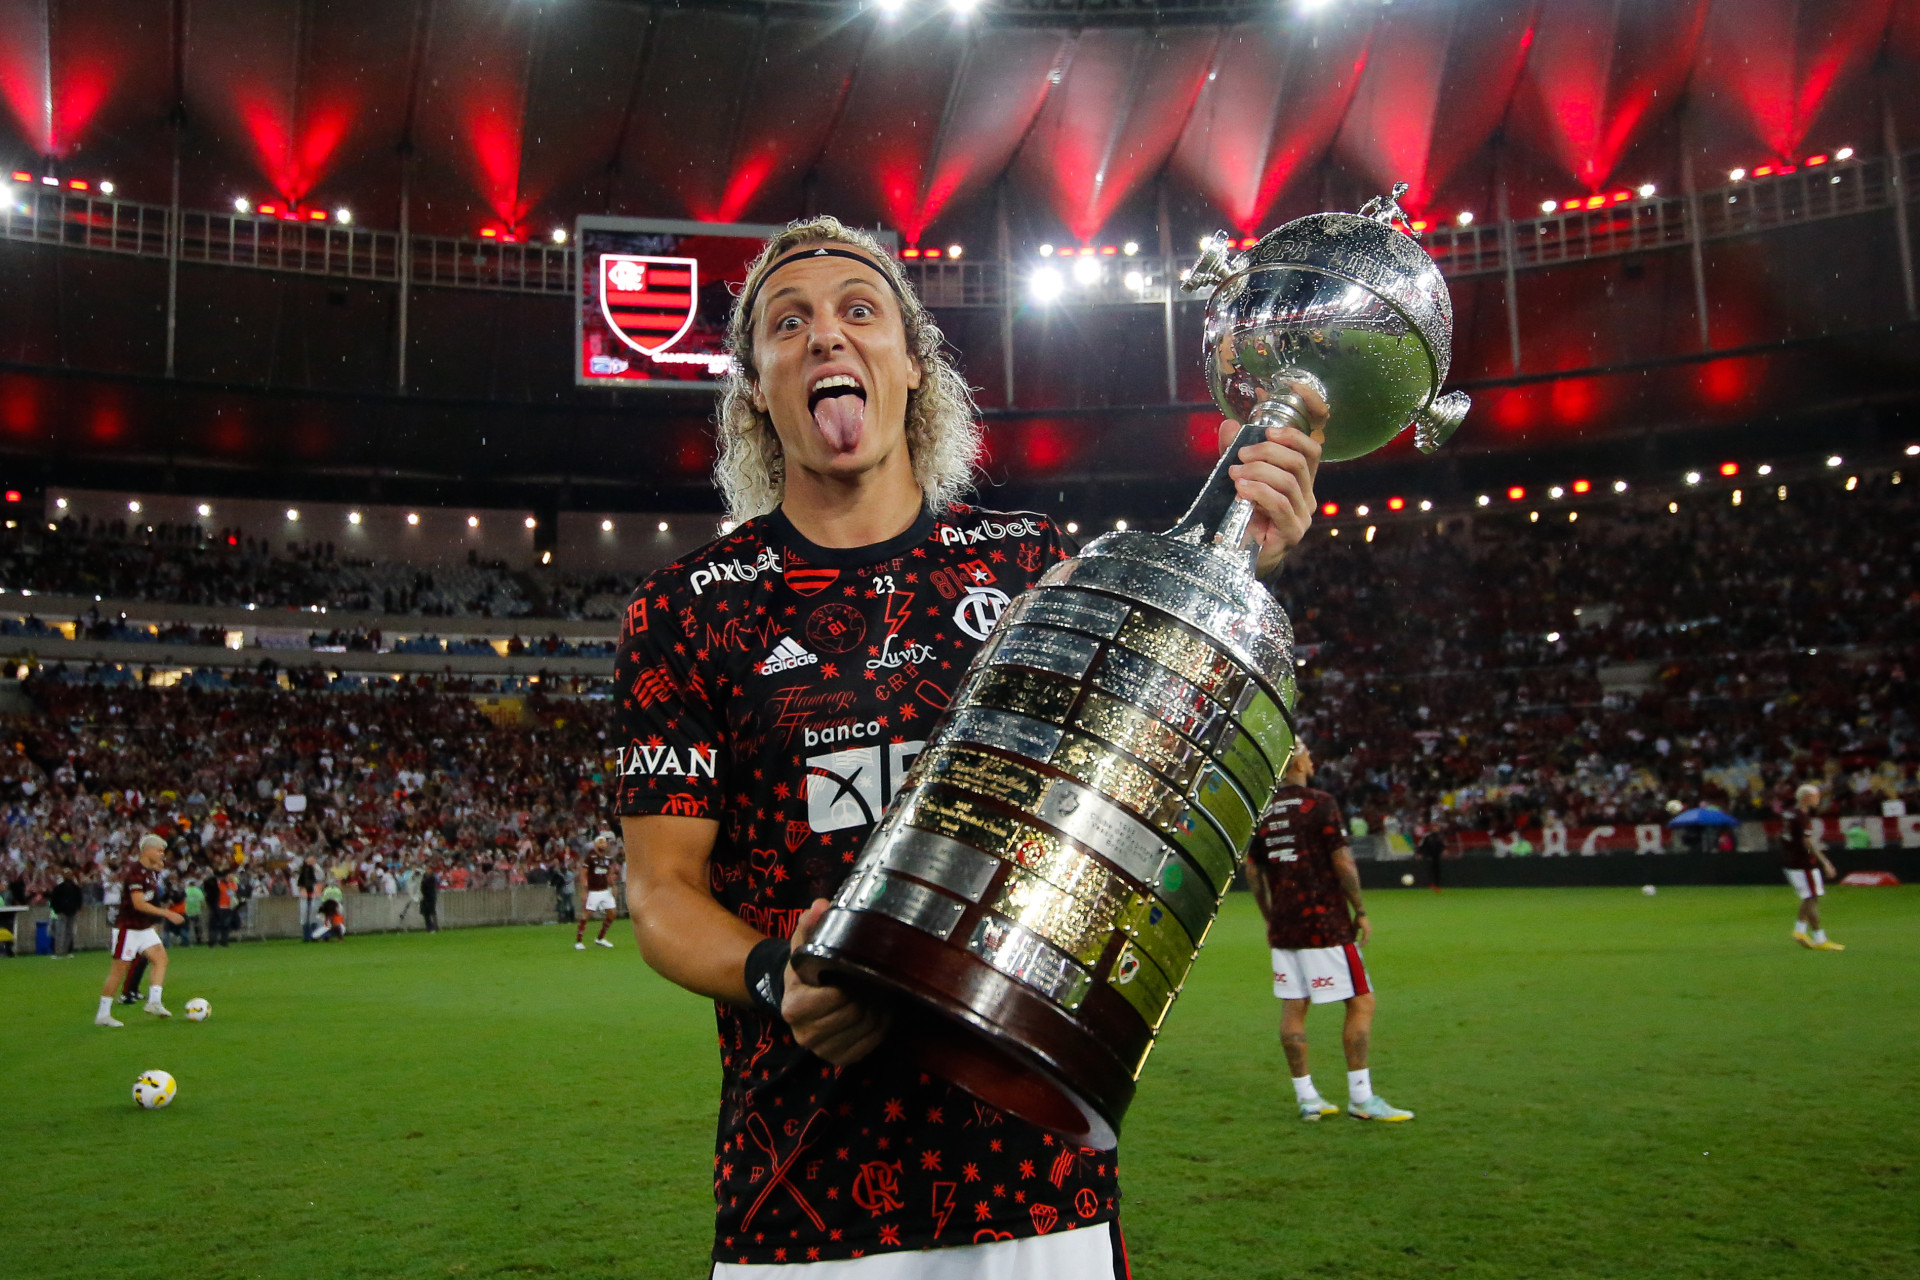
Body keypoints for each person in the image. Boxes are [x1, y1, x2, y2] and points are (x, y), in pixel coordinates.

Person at [614, 215, 1323, 1275]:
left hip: (1039, 1182)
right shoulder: (685, 610)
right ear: (755, 385)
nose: (826, 339)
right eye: (787, 323)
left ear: (912, 366)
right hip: (801, 1193)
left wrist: (1231, 575)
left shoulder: (1041, 569)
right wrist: (773, 974)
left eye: (861, 312)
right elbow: (660, 891)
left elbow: (1140, 791)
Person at [1247, 746, 1414, 1123]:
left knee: (1294, 1008)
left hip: (1285, 926)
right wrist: (1361, 909)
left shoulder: (1264, 812)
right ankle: (1362, 1098)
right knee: (1361, 1002)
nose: (1312, 759)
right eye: (1306, 753)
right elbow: (1342, 860)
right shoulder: (1320, 803)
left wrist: (1269, 915)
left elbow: (1253, 872)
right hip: (1324, 922)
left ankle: (1308, 1099)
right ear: (1296, 762)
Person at [96, 834, 184, 1026]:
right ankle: (102, 1015)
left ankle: (154, 1002)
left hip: (143, 928)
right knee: (119, 971)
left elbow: (156, 872)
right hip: (129, 929)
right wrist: (166, 914)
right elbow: (139, 904)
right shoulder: (135, 872)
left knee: (161, 959)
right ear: (148, 851)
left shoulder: (150, 871)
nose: (162, 855)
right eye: (159, 850)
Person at [1783, 782, 1843, 950]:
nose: (1818, 799)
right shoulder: (1801, 816)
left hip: (1792, 862)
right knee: (1812, 898)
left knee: (1809, 897)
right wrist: (1824, 861)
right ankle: (1819, 938)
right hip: (1803, 863)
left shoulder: (1789, 813)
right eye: (1816, 796)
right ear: (1806, 798)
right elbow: (1807, 842)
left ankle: (1800, 931)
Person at [574, 832, 618, 950]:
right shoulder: (590, 858)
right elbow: (583, 874)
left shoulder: (607, 859)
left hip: (605, 890)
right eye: (601, 842)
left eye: (604, 843)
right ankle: (578, 941)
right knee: (587, 914)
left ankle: (600, 938)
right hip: (594, 891)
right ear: (595, 845)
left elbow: (608, 874)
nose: (603, 845)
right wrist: (583, 890)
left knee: (612, 913)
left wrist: (613, 886)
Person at [50, 870, 83, 957]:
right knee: (60, 932)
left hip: (71, 911)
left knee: (69, 932)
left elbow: (79, 899)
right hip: (61, 912)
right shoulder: (59, 888)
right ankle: (58, 951)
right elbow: (53, 900)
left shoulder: (75, 888)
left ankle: (66, 950)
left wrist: (78, 908)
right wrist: (56, 910)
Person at [296, 855, 319, 940]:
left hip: (311, 896)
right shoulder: (307, 871)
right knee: (308, 917)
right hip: (308, 896)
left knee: (310, 917)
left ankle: (310, 936)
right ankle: (309, 936)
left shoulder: (313, 870)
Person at [1416, 825, 1445, 892]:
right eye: (1435, 827)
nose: (1437, 828)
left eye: (1437, 827)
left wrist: (1443, 851)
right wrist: (1419, 853)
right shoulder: (1427, 836)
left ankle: (1436, 885)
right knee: (1429, 870)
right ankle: (1429, 884)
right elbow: (1421, 844)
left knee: (1437, 871)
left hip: (1436, 856)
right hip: (1428, 856)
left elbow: (1442, 845)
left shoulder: (1440, 836)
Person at [419, 865, 439, 933]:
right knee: (425, 913)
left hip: (430, 897)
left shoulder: (432, 878)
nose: (427, 871)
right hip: (423, 897)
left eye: (429, 869)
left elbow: (429, 886)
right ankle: (428, 927)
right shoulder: (423, 877)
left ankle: (435, 927)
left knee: (432, 912)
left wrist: (423, 882)